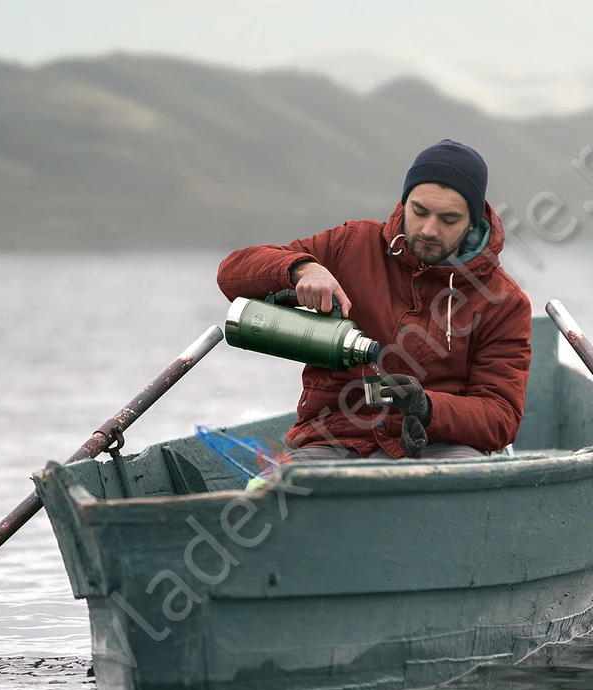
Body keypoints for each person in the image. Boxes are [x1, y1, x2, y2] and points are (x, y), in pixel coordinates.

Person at [217, 139, 532, 463]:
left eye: (448, 219)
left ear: (473, 221)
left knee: (465, 478)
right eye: (419, 211)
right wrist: (302, 269)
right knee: (279, 486)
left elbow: (501, 417)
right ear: (404, 202)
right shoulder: (351, 245)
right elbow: (230, 274)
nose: (429, 229)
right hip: (333, 440)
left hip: (440, 444)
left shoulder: (503, 302)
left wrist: (427, 407)